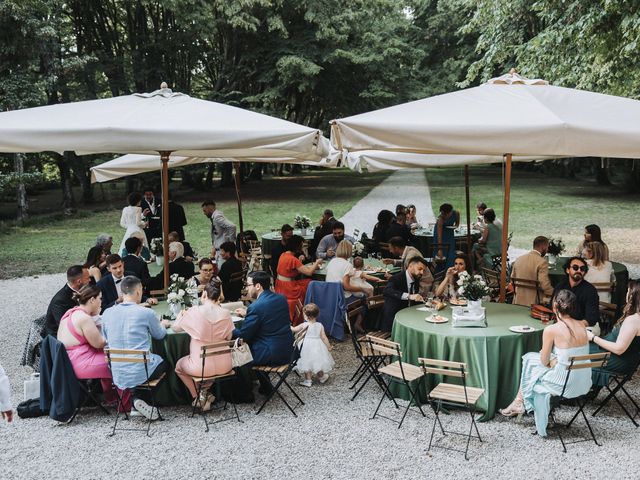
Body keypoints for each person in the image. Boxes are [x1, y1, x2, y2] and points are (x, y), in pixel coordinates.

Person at [499, 290, 592, 437]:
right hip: (584, 381)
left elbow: (543, 361)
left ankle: (521, 402)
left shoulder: (551, 329)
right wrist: (555, 360)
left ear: (555, 306)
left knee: (530, 361)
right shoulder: (582, 325)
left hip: (563, 384)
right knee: (531, 359)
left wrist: (551, 360)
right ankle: (519, 401)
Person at [102, 276, 170, 420]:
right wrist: (163, 324)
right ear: (138, 292)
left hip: (117, 371)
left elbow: (105, 338)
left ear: (122, 293)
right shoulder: (146, 313)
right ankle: (140, 400)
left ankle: (136, 403)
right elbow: (159, 335)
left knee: (142, 364)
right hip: (140, 370)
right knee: (165, 363)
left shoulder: (107, 313)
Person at [173, 280, 234, 411]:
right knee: (205, 369)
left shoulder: (195, 311)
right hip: (225, 365)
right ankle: (206, 393)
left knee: (179, 366)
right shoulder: (226, 313)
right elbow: (229, 337)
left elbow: (176, 328)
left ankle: (198, 397)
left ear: (204, 294)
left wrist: (180, 316)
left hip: (201, 367)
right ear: (219, 297)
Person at [233, 271, 294, 394]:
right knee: (254, 344)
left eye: (248, 285)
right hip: (288, 350)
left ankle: (243, 393)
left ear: (258, 286)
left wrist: (228, 328)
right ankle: (265, 386)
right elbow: (269, 318)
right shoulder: (281, 298)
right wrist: (248, 314)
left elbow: (243, 335)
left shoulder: (256, 307)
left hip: (271, 354)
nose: (246, 288)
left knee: (237, 353)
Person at [56, 285, 115, 404]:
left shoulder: (71, 312)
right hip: (80, 364)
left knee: (110, 356)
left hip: (67, 361)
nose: (101, 302)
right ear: (92, 300)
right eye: (100, 298)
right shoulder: (83, 318)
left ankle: (111, 397)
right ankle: (125, 401)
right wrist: (115, 337)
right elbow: (99, 343)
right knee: (119, 360)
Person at [588, 281, 640, 387]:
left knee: (575, 352)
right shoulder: (635, 316)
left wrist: (593, 337)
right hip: (626, 358)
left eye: (628, 290)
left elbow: (619, 349)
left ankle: (573, 392)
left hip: (618, 360)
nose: (626, 293)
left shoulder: (634, 320)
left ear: (632, 295)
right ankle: (589, 389)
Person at [275, 235, 323, 323]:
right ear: (297, 246)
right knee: (311, 283)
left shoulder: (283, 255)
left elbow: (290, 271)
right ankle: (309, 312)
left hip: (279, 285)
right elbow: (309, 272)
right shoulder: (293, 259)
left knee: (308, 282)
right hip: (289, 288)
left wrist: (299, 261)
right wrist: (317, 263)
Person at [381, 257, 429, 332]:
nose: (422, 272)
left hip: (409, 317)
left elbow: (414, 299)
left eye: (423, 270)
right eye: (420, 269)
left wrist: (428, 303)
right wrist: (409, 296)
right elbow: (387, 291)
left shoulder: (415, 278)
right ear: (410, 266)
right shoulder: (396, 278)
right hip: (394, 321)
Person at [292, 304, 335, 387]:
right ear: (317, 315)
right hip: (317, 346)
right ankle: (321, 377)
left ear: (306, 316)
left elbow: (294, 329)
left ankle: (308, 380)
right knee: (318, 361)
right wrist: (328, 347)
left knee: (306, 361)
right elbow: (324, 337)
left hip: (306, 347)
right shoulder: (320, 325)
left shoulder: (304, 325)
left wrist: (288, 325)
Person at [552, 257, 599, 328]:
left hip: (581, 327)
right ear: (567, 270)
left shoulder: (590, 290)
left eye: (582, 269)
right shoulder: (560, 286)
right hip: (560, 324)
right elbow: (552, 306)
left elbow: (591, 319)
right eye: (575, 267)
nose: (579, 270)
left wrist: (571, 326)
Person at [45, 265, 91, 336]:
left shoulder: (82, 290)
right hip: (59, 337)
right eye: (87, 278)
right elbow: (66, 327)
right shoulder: (60, 301)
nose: (90, 280)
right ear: (79, 281)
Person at [510, 236, 555, 306]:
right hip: (535, 301)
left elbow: (512, 279)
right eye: (547, 247)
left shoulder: (519, 259)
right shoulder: (542, 262)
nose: (547, 250)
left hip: (517, 299)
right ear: (543, 247)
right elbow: (544, 284)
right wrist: (553, 293)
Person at [201, 200, 236, 265]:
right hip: (218, 251)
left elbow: (232, 226)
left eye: (205, 210)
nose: (204, 213)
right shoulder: (214, 217)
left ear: (210, 209)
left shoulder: (217, 217)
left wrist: (231, 242)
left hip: (222, 252)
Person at [433, 203, 460, 271]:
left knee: (450, 254)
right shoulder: (440, 219)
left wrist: (454, 226)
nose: (443, 215)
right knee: (442, 255)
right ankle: (441, 272)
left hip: (449, 235)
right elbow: (439, 235)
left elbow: (457, 224)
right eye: (442, 213)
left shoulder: (456, 213)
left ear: (450, 212)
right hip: (441, 235)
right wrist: (440, 249)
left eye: (445, 214)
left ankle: (450, 270)